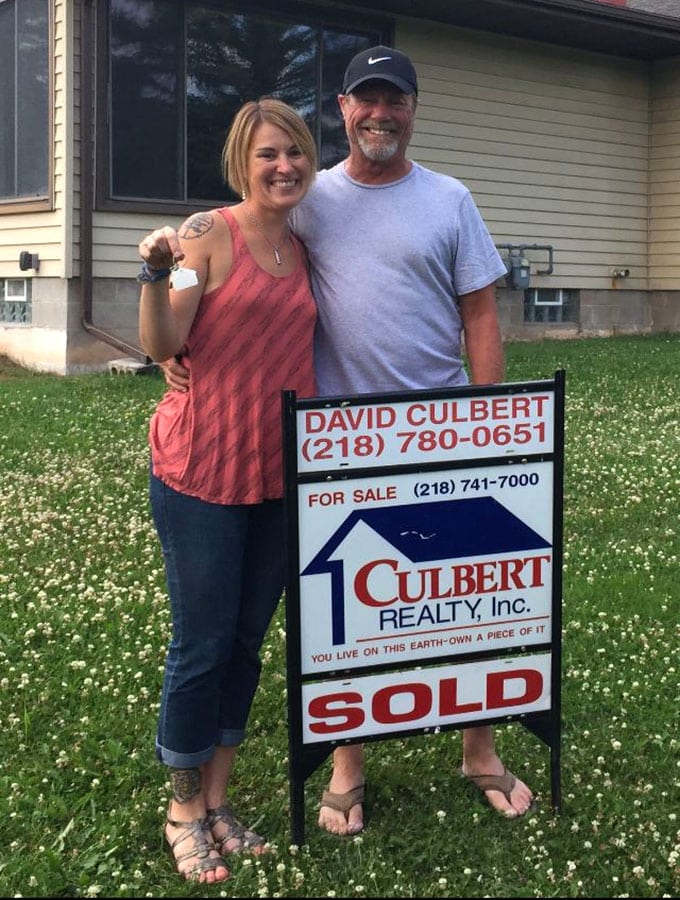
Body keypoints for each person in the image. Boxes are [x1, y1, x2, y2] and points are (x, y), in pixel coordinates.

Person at [161, 46, 535, 838]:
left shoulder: (450, 199)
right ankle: (347, 765)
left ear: (412, 109)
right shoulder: (311, 195)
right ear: (342, 108)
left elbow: (480, 316)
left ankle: (480, 749)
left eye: (394, 101)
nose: (380, 114)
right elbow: (231, 237)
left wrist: (488, 426)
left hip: (437, 430)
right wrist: (171, 341)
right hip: (336, 443)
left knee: (471, 598)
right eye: (366, 101)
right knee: (346, 611)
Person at [137, 98, 318, 882]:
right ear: (243, 161)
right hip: (202, 467)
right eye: (269, 154)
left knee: (247, 642)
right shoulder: (206, 234)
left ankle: (218, 800)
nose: (284, 167)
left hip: (277, 473)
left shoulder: (307, 246)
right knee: (202, 643)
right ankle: (181, 809)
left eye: (297, 153)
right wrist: (153, 274)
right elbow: (163, 342)